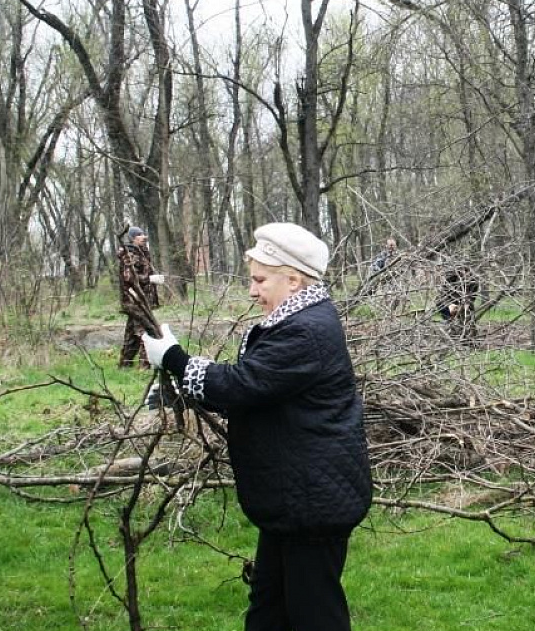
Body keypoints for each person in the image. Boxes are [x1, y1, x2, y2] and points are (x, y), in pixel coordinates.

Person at [141, 222, 372, 631]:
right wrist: (179, 382)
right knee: (268, 609)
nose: (252, 291)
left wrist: (175, 359)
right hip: (295, 499)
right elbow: (253, 389)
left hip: (312, 503)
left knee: (314, 615)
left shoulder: (306, 331)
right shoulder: (297, 321)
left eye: (260, 280)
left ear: (294, 280)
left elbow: (240, 385)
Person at [116, 226, 164, 368]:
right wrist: (150, 279)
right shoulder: (129, 254)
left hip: (142, 301)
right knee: (146, 332)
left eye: (143, 234)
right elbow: (130, 278)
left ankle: (125, 365)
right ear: (133, 238)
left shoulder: (142, 253)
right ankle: (145, 366)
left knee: (132, 333)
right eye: (139, 235)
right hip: (135, 301)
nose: (144, 237)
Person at [436, 264, 481, 339]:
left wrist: (465, 305)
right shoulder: (450, 279)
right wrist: (450, 305)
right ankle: (449, 325)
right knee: (440, 303)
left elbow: (472, 297)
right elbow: (443, 294)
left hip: (464, 302)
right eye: (462, 274)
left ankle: (469, 333)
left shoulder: (474, 282)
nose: (464, 277)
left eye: (467, 275)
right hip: (450, 301)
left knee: (468, 314)